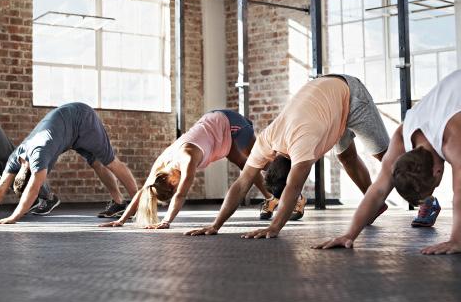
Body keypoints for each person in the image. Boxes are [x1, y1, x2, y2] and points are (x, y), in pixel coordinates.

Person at [185, 74, 389, 239]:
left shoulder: (303, 143)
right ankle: (376, 203)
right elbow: (242, 183)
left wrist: (274, 228)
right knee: (346, 157)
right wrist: (215, 225)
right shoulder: (266, 141)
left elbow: (294, 187)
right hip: (325, 104)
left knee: (386, 156)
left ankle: (422, 201)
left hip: (350, 93)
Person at [313, 70, 461, 255]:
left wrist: (456, 240)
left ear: (438, 172)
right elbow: (378, 191)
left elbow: (459, 193)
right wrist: (349, 235)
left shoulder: (453, 140)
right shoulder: (402, 136)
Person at [0, 102, 137, 224]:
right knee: (96, 163)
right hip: (66, 129)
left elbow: (33, 188)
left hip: (82, 118)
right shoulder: (16, 157)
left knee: (108, 162)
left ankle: (139, 203)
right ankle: (119, 203)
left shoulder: (38, 155)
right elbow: (1, 186)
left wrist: (13, 217)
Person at [100, 109, 275, 229]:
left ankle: (288, 187)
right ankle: (271, 199)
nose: (177, 187)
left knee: (263, 161)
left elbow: (181, 195)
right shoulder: (162, 163)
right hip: (216, 136)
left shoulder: (187, 158)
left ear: (170, 183)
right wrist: (121, 221)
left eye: (174, 187)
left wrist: (166, 221)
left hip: (227, 123)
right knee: (248, 166)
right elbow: (143, 192)